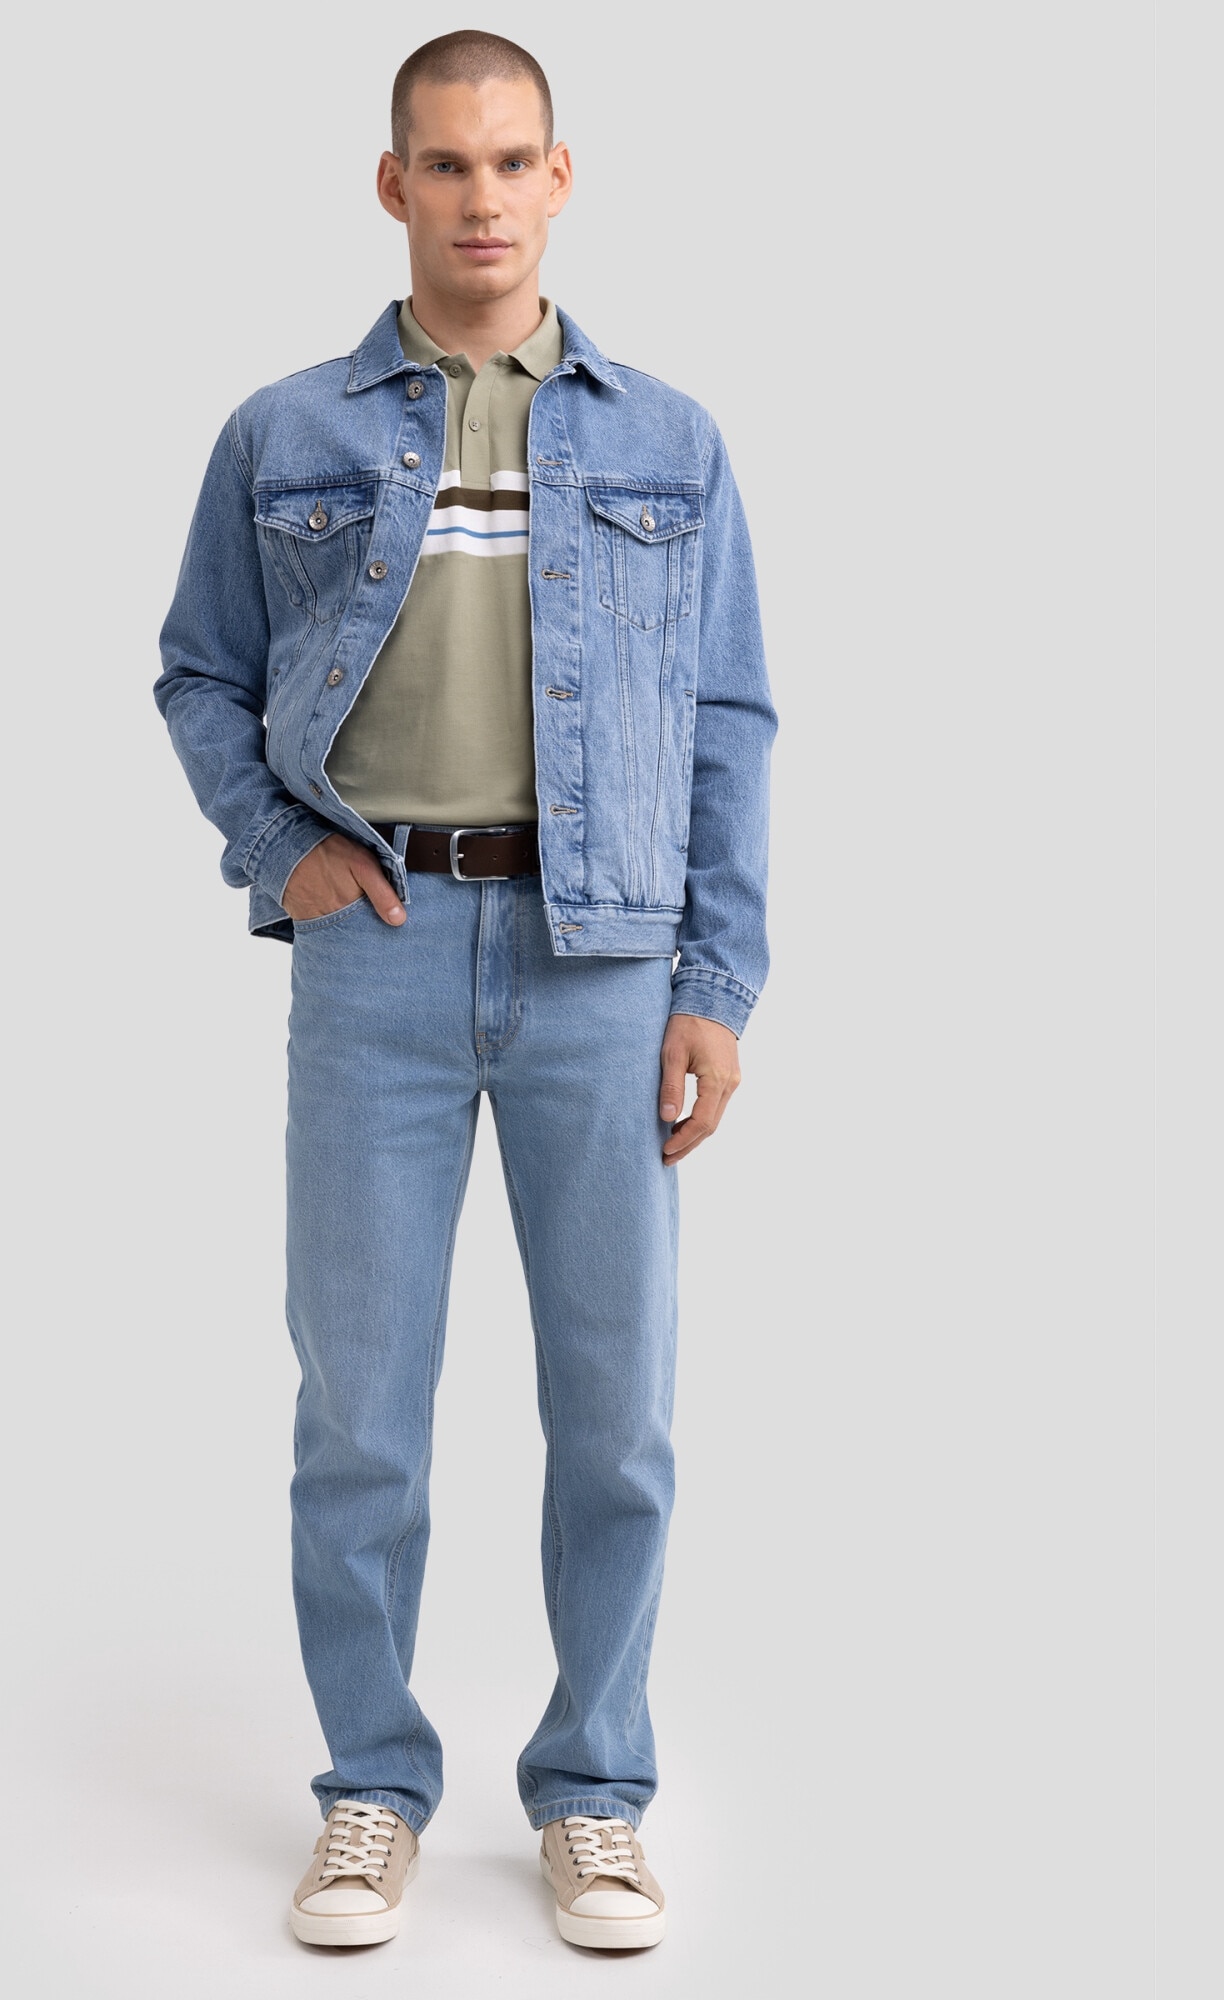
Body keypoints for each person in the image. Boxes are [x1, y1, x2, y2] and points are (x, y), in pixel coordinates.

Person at [155, 29, 775, 1954]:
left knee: (618, 1418)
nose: (482, 198)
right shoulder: (285, 434)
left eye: (513, 162)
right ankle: (370, 1785)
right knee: (360, 1412)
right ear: (393, 184)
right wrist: (283, 850)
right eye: (447, 164)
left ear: (560, 178)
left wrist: (715, 980)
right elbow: (197, 674)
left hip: (605, 966)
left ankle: (596, 1794)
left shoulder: (669, 437)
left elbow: (730, 719)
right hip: (381, 956)